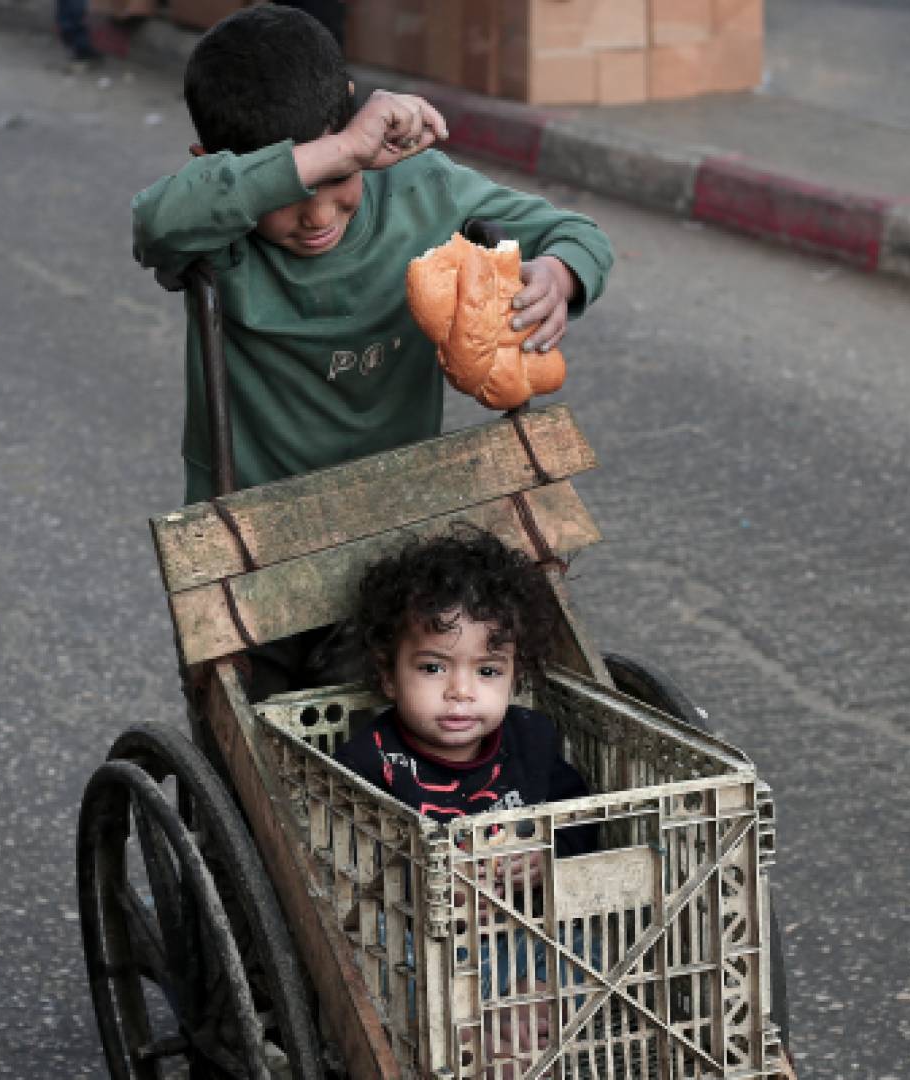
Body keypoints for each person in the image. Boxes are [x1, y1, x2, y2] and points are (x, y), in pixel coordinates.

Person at [131, 5, 615, 507]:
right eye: (285, 194)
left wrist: (558, 276)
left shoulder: (418, 190)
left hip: (402, 498)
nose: (318, 217)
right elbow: (154, 220)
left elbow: (577, 234)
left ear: (349, 107)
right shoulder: (218, 225)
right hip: (254, 514)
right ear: (210, 167)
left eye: (339, 180)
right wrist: (344, 152)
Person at [334, 527, 598, 860]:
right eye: (433, 668)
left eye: (487, 671)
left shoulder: (530, 740)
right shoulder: (367, 765)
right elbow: (351, 863)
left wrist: (546, 857)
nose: (460, 692)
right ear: (389, 676)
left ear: (515, 676)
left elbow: (581, 820)